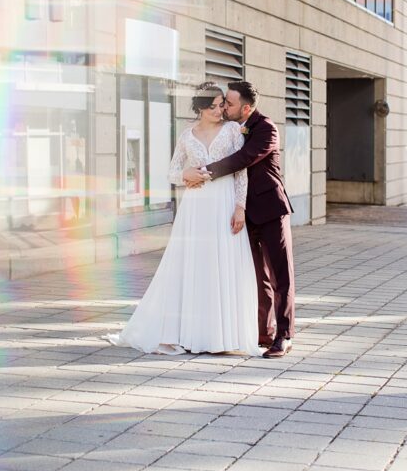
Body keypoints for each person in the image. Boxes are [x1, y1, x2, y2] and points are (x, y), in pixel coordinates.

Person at [105, 82, 262, 357]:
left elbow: (241, 172)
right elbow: (172, 172)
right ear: (200, 108)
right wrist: (186, 174)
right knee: (194, 263)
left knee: (222, 262)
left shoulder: (232, 130)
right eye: (212, 106)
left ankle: (222, 335)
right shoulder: (187, 135)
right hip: (196, 207)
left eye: (221, 104)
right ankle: (189, 332)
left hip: (224, 201)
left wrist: (240, 207)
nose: (219, 109)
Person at [183, 81, 296, 359]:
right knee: (257, 277)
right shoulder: (232, 128)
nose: (224, 107)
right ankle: (262, 332)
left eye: (229, 103)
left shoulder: (266, 128)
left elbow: (243, 159)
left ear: (245, 107)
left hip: (270, 210)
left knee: (281, 276)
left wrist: (202, 171)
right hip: (241, 214)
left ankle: (284, 335)